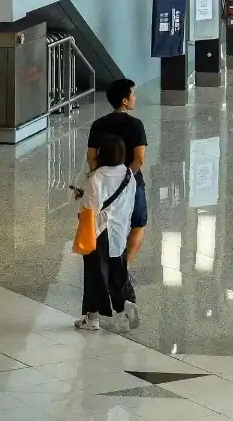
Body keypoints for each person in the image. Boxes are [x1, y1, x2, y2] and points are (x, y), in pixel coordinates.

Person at [86, 79, 148, 330]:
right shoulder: (136, 125)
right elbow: (139, 158)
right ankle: (125, 268)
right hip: (132, 183)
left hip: (104, 185)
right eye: (132, 94)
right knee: (138, 224)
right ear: (124, 99)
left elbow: (91, 156)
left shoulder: (99, 124)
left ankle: (98, 306)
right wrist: (125, 179)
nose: (134, 98)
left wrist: (101, 176)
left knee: (102, 235)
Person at [74, 134, 137, 332]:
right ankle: (123, 310)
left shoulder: (97, 177)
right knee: (117, 271)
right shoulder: (129, 175)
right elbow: (130, 204)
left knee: (95, 274)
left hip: (99, 232)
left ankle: (92, 318)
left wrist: (79, 197)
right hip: (119, 231)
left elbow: (90, 208)